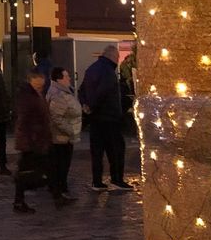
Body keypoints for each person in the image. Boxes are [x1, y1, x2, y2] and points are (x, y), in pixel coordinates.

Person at [14, 66, 67, 212]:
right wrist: (32, 140)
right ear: (31, 81)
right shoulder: (27, 97)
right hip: (32, 141)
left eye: (41, 85)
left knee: (49, 168)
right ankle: (20, 200)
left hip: (39, 139)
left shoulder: (36, 95)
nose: (40, 88)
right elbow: (24, 121)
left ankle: (56, 196)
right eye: (37, 85)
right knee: (31, 172)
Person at [79, 44, 130, 192]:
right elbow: (103, 92)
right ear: (113, 57)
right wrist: (92, 105)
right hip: (109, 117)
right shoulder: (108, 72)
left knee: (97, 151)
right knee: (116, 149)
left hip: (95, 119)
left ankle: (97, 181)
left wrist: (86, 105)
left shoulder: (91, 69)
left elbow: (82, 89)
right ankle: (117, 179)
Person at [46, 65, 81, 201]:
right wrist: (70, 130)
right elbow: (57, 117)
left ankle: (60, 189)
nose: (69, 78)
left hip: (64, 136)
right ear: (59, 79)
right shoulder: (58, 94)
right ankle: (59, 191)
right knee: (61, 165)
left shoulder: (64, 91)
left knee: (62, 165)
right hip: (60, 137)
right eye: (66, 76)